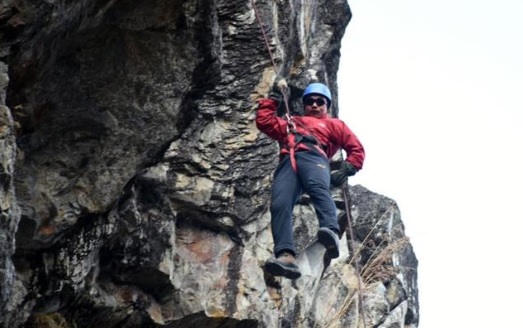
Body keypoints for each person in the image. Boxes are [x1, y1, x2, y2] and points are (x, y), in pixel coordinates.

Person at [255, 80, 365, 279]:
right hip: (289, 161)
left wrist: (348, 167)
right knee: (280, 204)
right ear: (305, 105)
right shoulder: (291, 121)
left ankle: (330, 229)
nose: (314, 105)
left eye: (320, 102)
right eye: (310, 101)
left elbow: (356, 148)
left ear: (326, 106)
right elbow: (265, 122)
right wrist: (272, 100)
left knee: (317, 187)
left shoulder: (334, 124)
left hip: (315, 157)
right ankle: (286, 256)